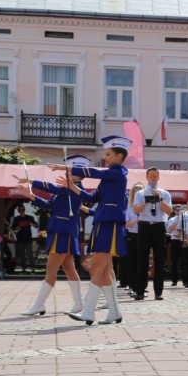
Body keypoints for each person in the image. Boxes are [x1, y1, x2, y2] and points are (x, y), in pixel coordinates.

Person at [53, 135, 131, 326]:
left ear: (120, 155)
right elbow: (93, 196)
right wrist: (72, 186)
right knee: (104, 271)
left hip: (110, 223)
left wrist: (71, 168)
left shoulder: (118, 172)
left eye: (109, 154)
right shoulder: (110, 176)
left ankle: (88, 311)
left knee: (97, 267)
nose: (106, 157)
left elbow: (95, 173)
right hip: (102, 222)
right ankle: (114, 312)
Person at [13, 154, 90, 316]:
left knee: (51, 268)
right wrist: (30, 195)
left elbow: (51, 188)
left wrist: (31, 181)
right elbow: (49, 205)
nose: (67, 172)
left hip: (64, 231)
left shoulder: (77, 190)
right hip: (61, 230)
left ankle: (39, 304)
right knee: (68, 267)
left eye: (71, 169)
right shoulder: (66, 187)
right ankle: (79, 303)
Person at [132, 168, 173, 301]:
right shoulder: (140, 193)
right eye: (151, 176)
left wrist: (159, 199)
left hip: (158, 226)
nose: (153, 178)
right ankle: (140, 290)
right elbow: (136, 210)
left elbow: (169, 211)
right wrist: (146, 201)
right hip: (144, 225)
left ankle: (158, 292)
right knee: (142, 259)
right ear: (146, 177)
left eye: (155, 176)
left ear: (159, 177)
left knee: (159, 259)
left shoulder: (165, 193)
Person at [11, 204, 38, 274]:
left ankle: (33, 269)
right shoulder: (16, 219)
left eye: (22, 210)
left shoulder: (29, 217)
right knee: (22, 255)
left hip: (28, 238)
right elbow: (13, 228)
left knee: (30, 254)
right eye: (20, 210)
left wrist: (32, 224)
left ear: (24, 210)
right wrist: (16, 228)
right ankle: (23, 269)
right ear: (18, 211)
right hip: (20, 239)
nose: (21, 211)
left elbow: (36, 226)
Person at [166, 204, 184, 287]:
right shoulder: (172, 219)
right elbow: (171, 228)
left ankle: (185, 280)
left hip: (182, 240)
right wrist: (178, 219)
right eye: (177, 210)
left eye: (180, 210)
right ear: (174, 210)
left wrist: (181, 218)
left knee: (184, 261)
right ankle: (174, 280)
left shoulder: (185, 218)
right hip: (174, 240)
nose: (179, 211)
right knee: (175, 262)